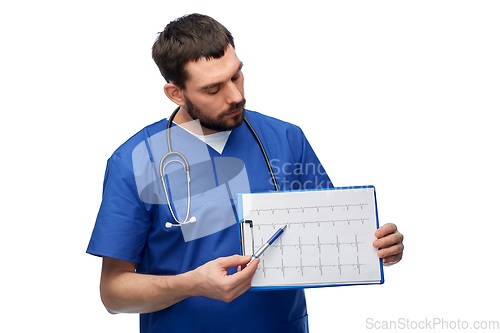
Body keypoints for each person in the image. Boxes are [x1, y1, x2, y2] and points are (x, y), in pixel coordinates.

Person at [87, 13, 404, 333]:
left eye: (236, 76)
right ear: (176, 94)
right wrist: (191, 284)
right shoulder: (134, 161)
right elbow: (113, 293)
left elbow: (334, 241)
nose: (235, 95)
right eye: (213, 89)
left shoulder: (286, 139)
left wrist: (377, 246)